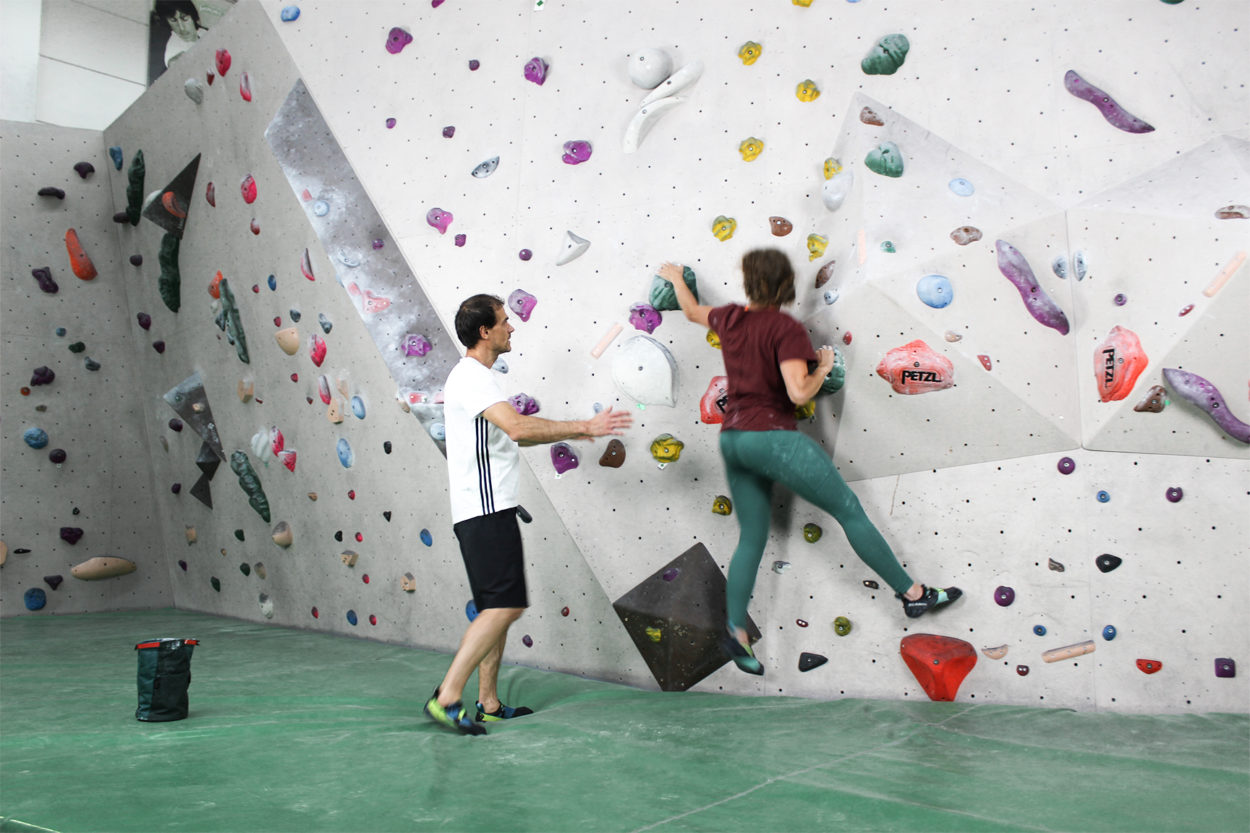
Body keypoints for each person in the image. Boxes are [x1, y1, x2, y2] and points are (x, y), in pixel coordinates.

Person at [659, 251, 962, 675]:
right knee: (849, 511)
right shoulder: (785, 328)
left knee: (752, 537)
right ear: (784, 287)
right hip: (773, 439)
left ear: (748, 284)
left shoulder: (729, 319)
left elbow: (690, 310)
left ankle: (734, 631)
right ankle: (914, 595)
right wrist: (824, 366)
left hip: (733, 440)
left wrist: (675, 277)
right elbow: (799, 393)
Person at [426, 294, 633, 734]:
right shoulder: (472, 377)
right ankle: (447, 695)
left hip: (488, 510)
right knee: (506, 604)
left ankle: (488, 702)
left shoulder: (475, 379)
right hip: (484, 512)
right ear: (485, 332)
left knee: (494, 609)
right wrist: (585, 426)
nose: (512, 328)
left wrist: (575, 432)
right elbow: (518, 426)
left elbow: (514, 438)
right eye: (504, 322)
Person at [156, 0, 205, 68]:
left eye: (185, 18)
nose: (181, 28)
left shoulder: (203, 32)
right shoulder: (173, 51)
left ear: (193, 16)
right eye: (173, 21)